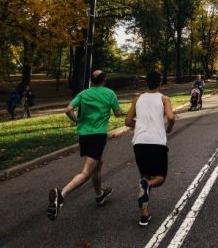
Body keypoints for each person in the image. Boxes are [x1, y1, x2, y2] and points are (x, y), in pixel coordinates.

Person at [47, 70, 123, 221]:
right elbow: (118, 114)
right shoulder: (109, 93)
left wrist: (77, 121)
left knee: (98, 164)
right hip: (97, 136)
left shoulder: (83, 94)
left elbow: (68, 109)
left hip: (84, 135)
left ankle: (99, 195)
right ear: (105, 80)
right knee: (86, 171)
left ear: (91, 80)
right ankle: (61, 194)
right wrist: (119, 111)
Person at [125, 70, 175, 227]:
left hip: (139, 142)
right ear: (160, 83)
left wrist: (140, 125)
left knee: (144, 177)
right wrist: (169, 128)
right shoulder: (164, 99)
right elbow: (171, 117)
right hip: (157, 142)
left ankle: (144, 215)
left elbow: (127, 121)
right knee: (159, 177)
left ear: (146, 83)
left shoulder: (137, 99)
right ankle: (149, 187)